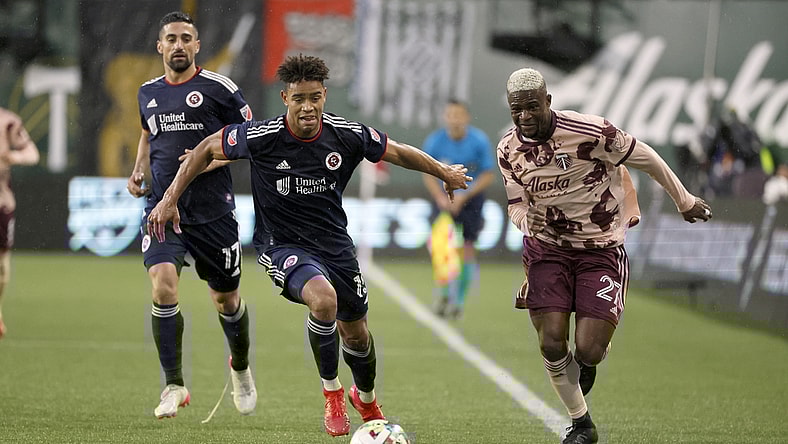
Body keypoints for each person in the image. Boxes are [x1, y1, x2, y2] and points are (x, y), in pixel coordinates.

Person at [147, 54, 471, 437]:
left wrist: (443, 171)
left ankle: (365, 397)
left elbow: (397, 151)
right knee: (323, 300)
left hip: (335, 246)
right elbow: (205, 148)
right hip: (282, 245)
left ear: (324, 96)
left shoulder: (345, 134)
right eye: (299, 98)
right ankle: (332, 393)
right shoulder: (262, 136)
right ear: (285, 98)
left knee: (357, 334)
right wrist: (169, 199)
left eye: (314, 98)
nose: (307, 107)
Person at [498, 68, 712, 444]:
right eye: (517, 110)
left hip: (600, 249)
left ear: (548, 101)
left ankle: (589, 354)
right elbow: (516, 205)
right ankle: (582, 424)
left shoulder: (592, 131)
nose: (524, 117)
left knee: (589, 350)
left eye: (532, 107)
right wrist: (526, 221)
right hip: (548, 249)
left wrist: (684, 200)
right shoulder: (508, 149)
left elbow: (647, 158)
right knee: (551, 341)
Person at [126, 11, 256, 419]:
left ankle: (240, 367)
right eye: (172, 38)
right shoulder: (148, 92)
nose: (179, 45)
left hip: (212, 213)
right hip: (163, 210)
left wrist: (206, 161)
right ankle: (174, 385)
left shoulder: (220, 89)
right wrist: (139, 169)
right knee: (163, 286)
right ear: (160, 46)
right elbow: (147, 133)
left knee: (226, 300)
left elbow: (251, 139)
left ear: (197, 45)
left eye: (186, 38)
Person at [422, 99, 495, 319]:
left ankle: (459, 302)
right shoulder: (435, 141)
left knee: (467, 248)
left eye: (458, 115)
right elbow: (426, 172)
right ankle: (444, 293)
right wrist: (440, 197)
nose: (454, 120)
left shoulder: (478, 140)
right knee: (441, 246)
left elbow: (488, 174)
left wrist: (465, 196)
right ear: (445, 117)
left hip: (471, 201)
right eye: (450, 115)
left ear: (466, 117)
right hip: (444, 200)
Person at [0, 107, 40, 339]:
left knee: (2, 266)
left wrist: (14, 157)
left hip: (2, 202)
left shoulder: (7, 122)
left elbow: (32, 154)